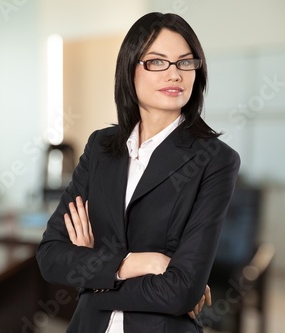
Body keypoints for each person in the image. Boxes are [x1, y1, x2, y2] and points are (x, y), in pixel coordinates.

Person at [36, 12, 240, 333]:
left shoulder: (216, 160)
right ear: (129, 70)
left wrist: (95, 276)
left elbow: (181, 292)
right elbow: (50, 256)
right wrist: (137, 263)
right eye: (157, 62)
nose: (174, 74)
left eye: (185, 62)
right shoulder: (101, 147)